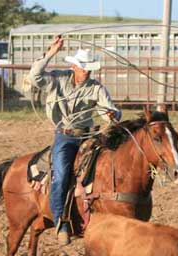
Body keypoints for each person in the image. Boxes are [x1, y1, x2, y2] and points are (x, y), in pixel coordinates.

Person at [29, 36, 122, 245]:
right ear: (73, 66)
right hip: (66, 136)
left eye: (89, 67)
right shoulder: (57, 80)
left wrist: (112, 114)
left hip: (89, 135)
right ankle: (61, 221)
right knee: (61, 173)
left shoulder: (96, 88)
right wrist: (50, 53)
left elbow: (113, 110)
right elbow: (35, 76)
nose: (87, 71)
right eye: (83, 67)